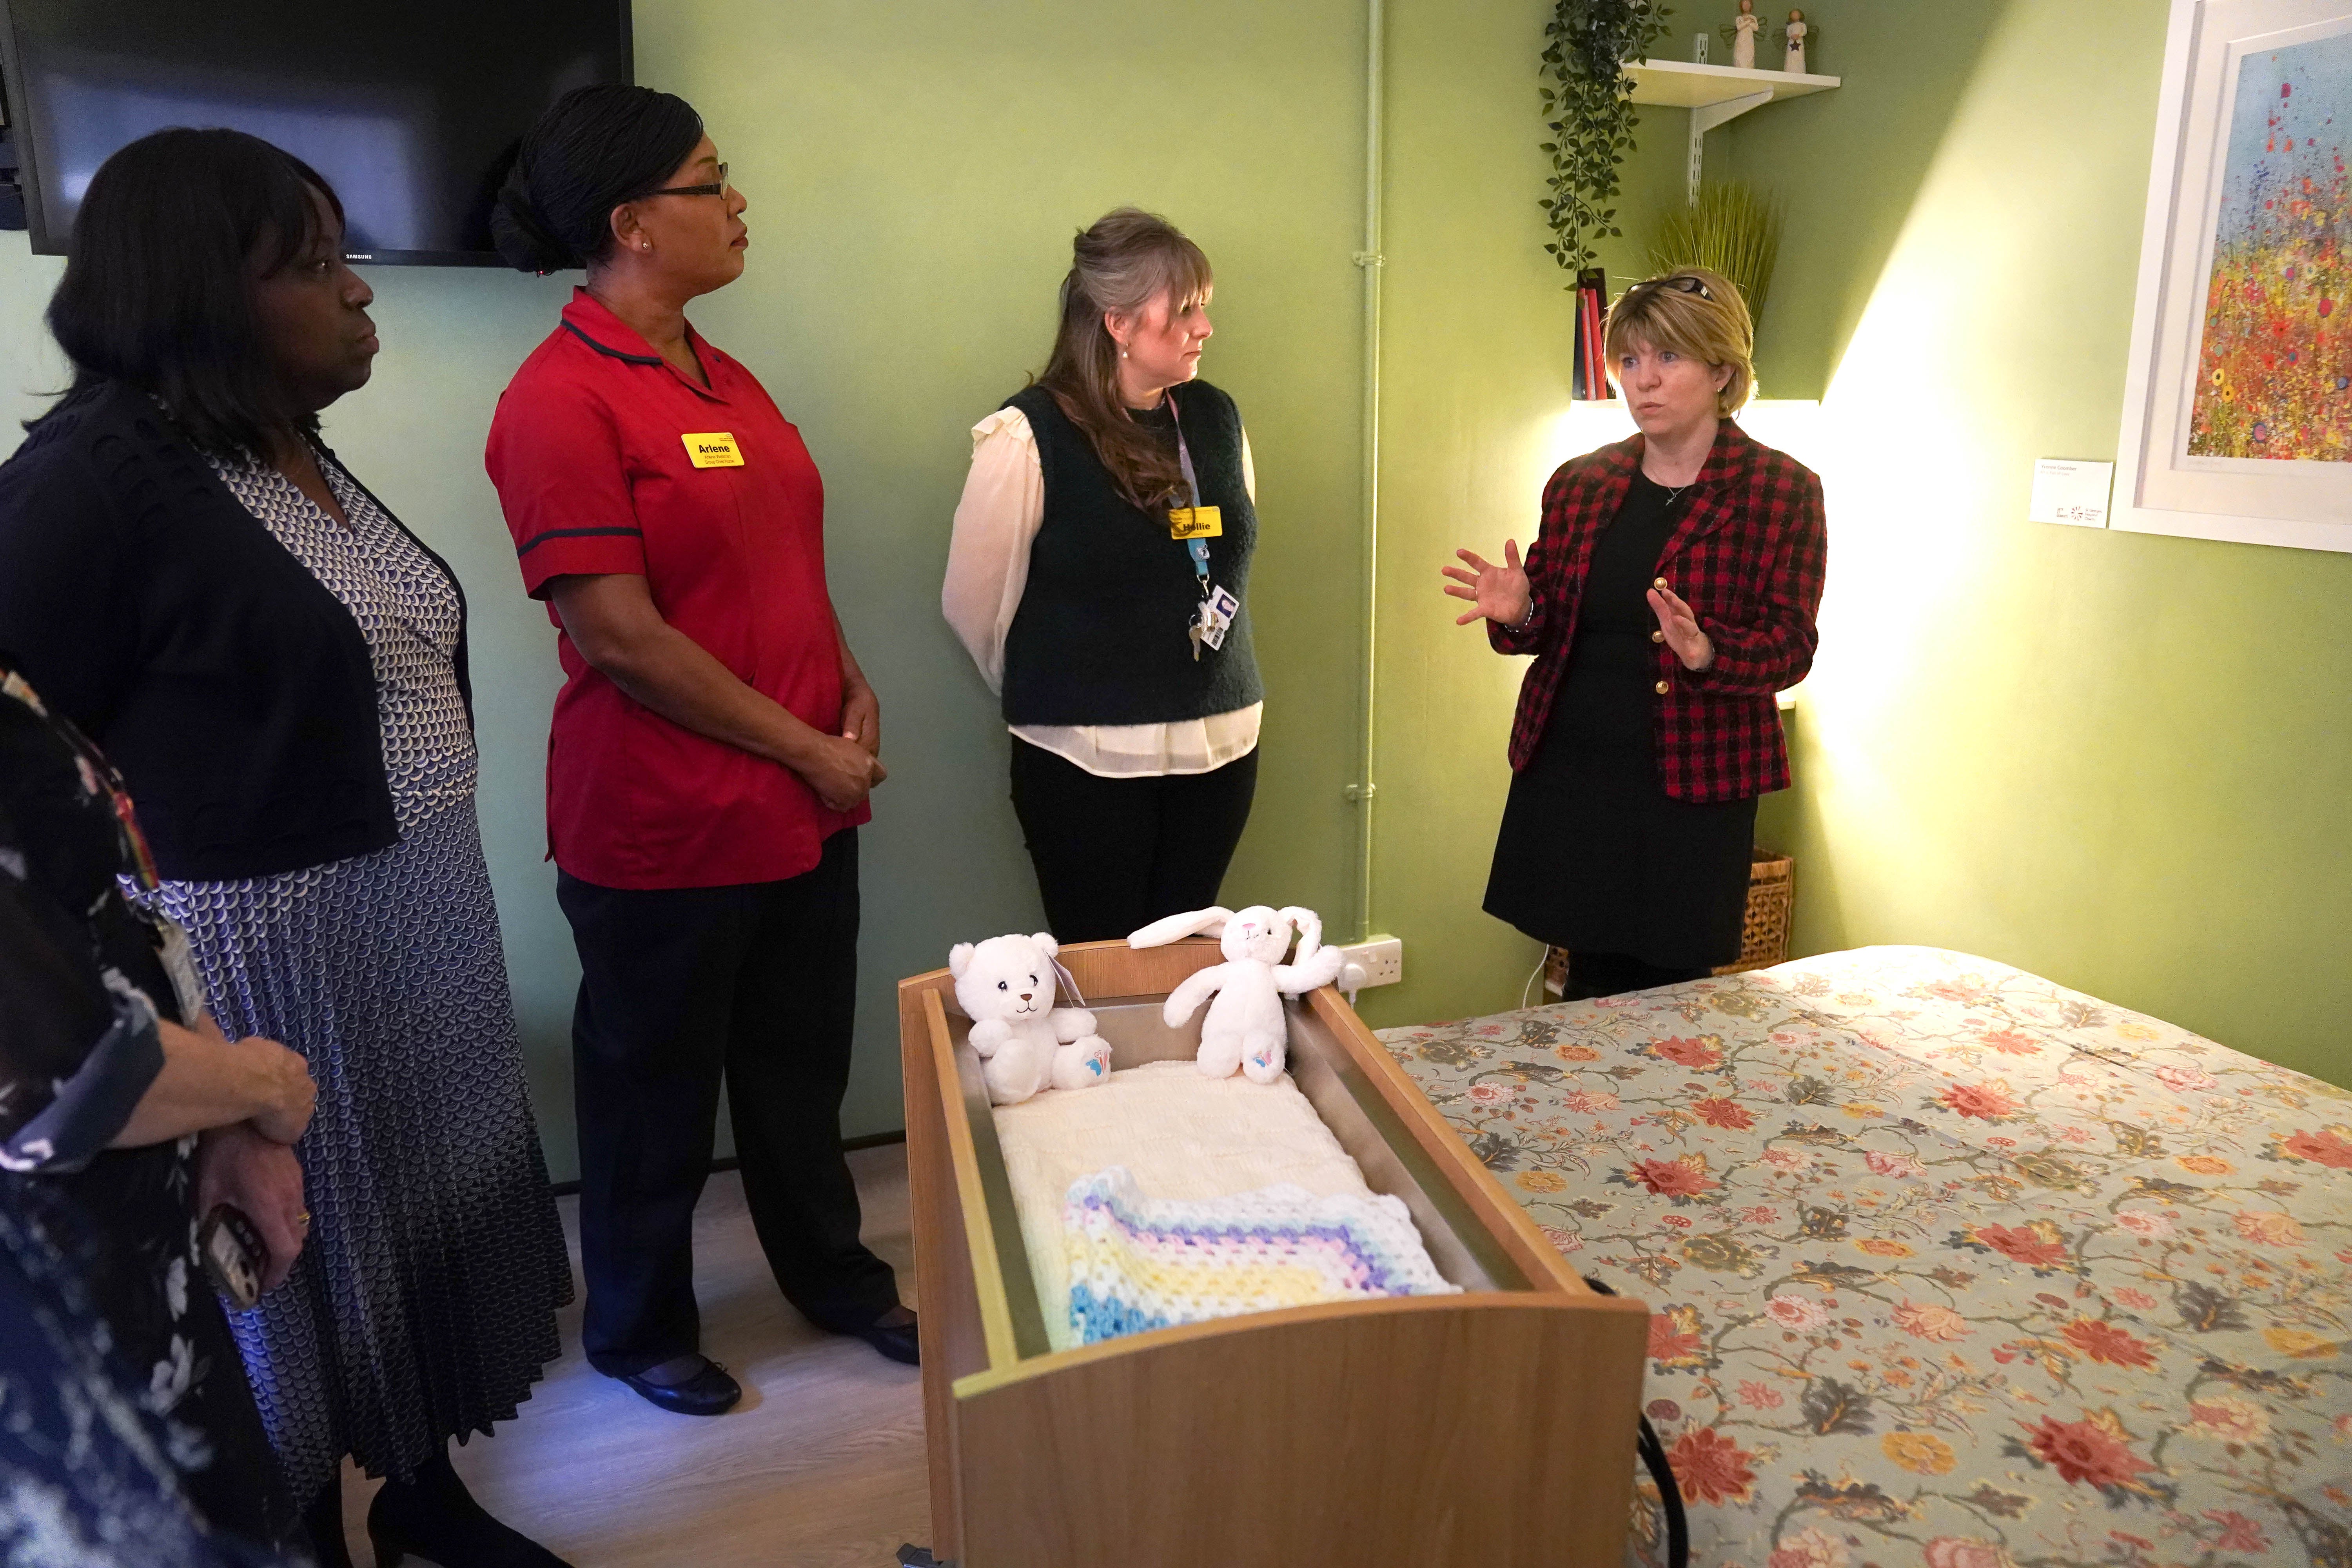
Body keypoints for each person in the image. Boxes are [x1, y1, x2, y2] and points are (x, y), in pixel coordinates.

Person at [0, 129, 574, 1568]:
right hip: (271, 943)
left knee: (422, 1228)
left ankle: (424, 1501)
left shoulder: (284, 444)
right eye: (316, 267)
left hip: (422, 905)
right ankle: (311, 1539)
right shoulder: (95, 481)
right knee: (301, 1271)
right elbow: (25, 770)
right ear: (205, 289)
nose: (360, 295)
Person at [484, 85, 910, 1419]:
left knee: (797, 1076)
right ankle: (639, 1327)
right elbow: (622, 639)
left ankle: (832, 1279)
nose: (739, 206)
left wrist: (847, 680)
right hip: (665, 825)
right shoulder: (558, 403)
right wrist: (809, 747)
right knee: (652, 1099)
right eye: (712, 182)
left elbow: (780, 561)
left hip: (799, 807)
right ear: (633, 224)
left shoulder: (723, 375)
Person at [0, 657, 314, 1555]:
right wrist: (264, 1083)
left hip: (139, 1240)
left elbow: (115, 922)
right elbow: (66, 1077)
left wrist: (221, 1115)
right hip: (61, 1272)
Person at [1443, 268, 1826, 998]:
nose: (1642, 381)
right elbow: (1547, 625)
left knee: (1675, 988)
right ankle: (1581, 1111)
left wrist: (1710, 651)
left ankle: (1663, 1117)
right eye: (1630, 360)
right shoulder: (1581, 482)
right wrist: (1520, 610)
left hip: (1694, 785)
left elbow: (1792, 644)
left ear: (1722, 370)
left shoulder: (1782, 489)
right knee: (1586, 976)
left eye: (1669, 358)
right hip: (1577, 768)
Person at [943, 208, 1264, 942]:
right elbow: (973, 605)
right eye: (1184, 309)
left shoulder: (1215, 418)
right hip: (1086, 754)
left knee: (1187, 962)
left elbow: (1233, 550)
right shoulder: (1029, 436)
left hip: (1220, 742)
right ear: (1118, 322)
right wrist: (1066, 686)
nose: (1205, 326)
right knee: (1101, 968)